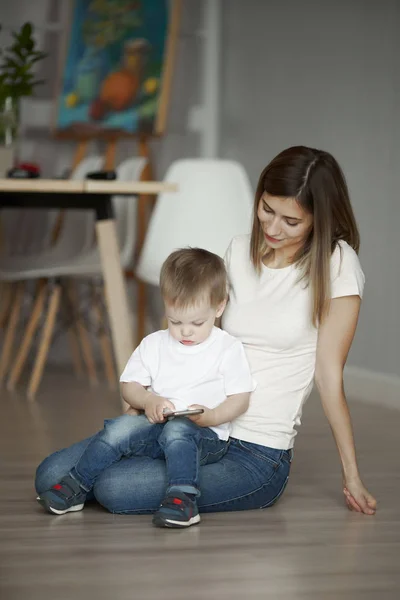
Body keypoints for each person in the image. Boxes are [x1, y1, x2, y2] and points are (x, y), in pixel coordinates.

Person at [35, 145, 377, 517]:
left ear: (318, 218)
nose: (273, 228)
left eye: (291, 222)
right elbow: (200, 338)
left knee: (114, 488)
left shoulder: (337, 264)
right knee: (50, 474)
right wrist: (146, 398)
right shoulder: (238, 251)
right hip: (194, 427)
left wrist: (352, 476)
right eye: (267, 210)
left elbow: (329, 378)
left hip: (257, 452)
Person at [36, 248, 255, 527]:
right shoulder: (154, 344)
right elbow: (130, 386)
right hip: (156, 426)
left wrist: (212, 416)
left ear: (219, 307)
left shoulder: (227, 348)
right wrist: (147, 399)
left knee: (178, 429)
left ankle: (183, 500)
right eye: (175, 321)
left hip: (205, 435)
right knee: (120, 428)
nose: (185, 331)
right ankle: (75, 486)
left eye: (197, 323)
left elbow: (241, 398)